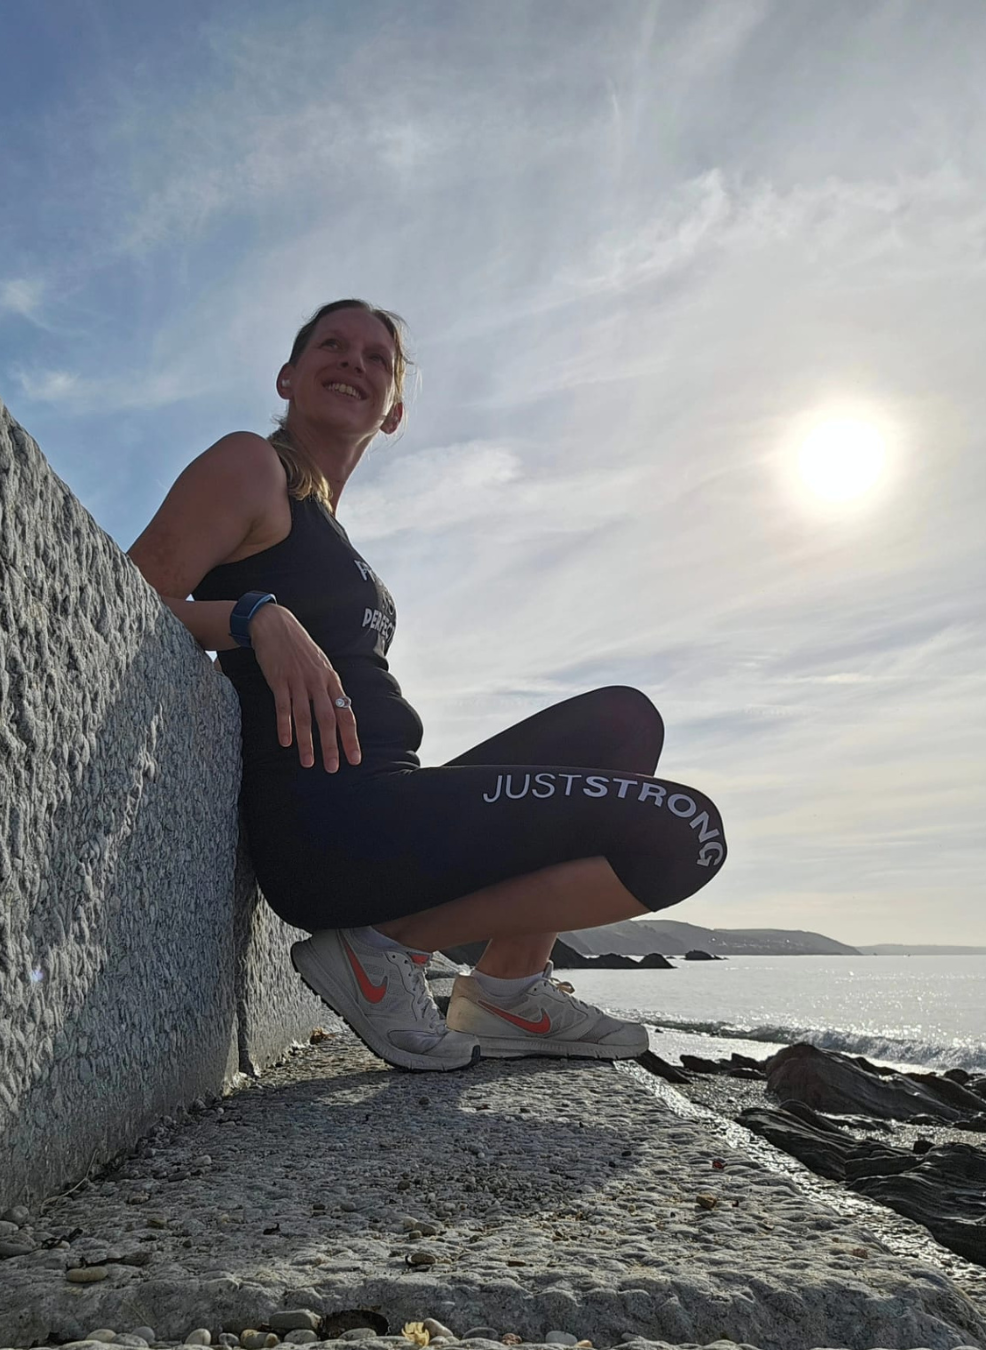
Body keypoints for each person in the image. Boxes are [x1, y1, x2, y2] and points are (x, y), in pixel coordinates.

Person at [127, 298, 727, 1074]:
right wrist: (254, 617)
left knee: (622, 724)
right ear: (287, 376)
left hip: (389, 803)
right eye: (332, 345)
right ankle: (384, 952)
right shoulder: (253, 466)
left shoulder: (329, 527)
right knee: (684, 834)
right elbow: (126, 598)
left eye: (377, 358)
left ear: (394, 412)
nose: (354, 360)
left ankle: (508, 988)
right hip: (330, 825)